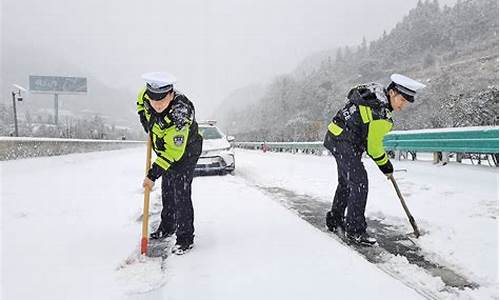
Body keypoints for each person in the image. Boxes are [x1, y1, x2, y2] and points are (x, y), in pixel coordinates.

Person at [323, 74, 425, 245]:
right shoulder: (380, 114)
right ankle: (355, 230)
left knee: (347, 181)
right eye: (402, 99)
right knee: (359, 181)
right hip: (344, 141)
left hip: (335, 136)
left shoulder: (373, 96)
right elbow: (374, 148)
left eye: (406, 102)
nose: (403, 105)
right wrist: (386, 166)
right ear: (392, 93)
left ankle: (335, 219)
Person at [136, 72, 203, 255]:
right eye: (153, 100)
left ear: (171, 94)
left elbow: (172, 153)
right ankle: (167, 226)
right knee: (167, 189)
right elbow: (141, 101)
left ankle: (185, 238)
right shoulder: (146, 96)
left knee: (180, 192)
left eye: (162, 101)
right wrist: (144, 118)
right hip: (166, 149)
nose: (157, 105)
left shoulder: (180, 116)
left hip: (185, 153)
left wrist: (151, 176)